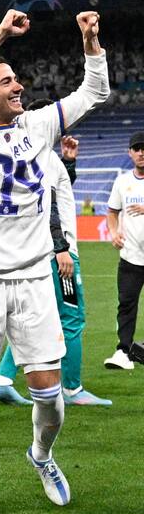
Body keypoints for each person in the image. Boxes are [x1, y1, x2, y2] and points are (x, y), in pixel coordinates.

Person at [0, 9, 108, 514]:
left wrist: (90, 41)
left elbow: (94, 93)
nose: (18, 86)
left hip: (35, 282)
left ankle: (41, 454)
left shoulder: (37, 126)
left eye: (17, 80)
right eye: (6, 80)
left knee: (51, 400)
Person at [0, 125, 110, 405]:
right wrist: (62, 249)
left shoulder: (37, 157)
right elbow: (51, 203)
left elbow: (55, 190)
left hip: (36, 251)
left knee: (37, 318)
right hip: (58, 253)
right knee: (71, 318)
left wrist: (68, 163)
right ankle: (72, 390)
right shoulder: (40, 157)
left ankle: (3, 379)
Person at [105, 130, 144, 370]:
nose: (142, 153)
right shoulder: (122, 182)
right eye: (137, 148)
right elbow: (112, 212)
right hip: (130, 257)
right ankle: (123, 351)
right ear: (129, 153)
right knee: (126, 305)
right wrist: (113, 232)